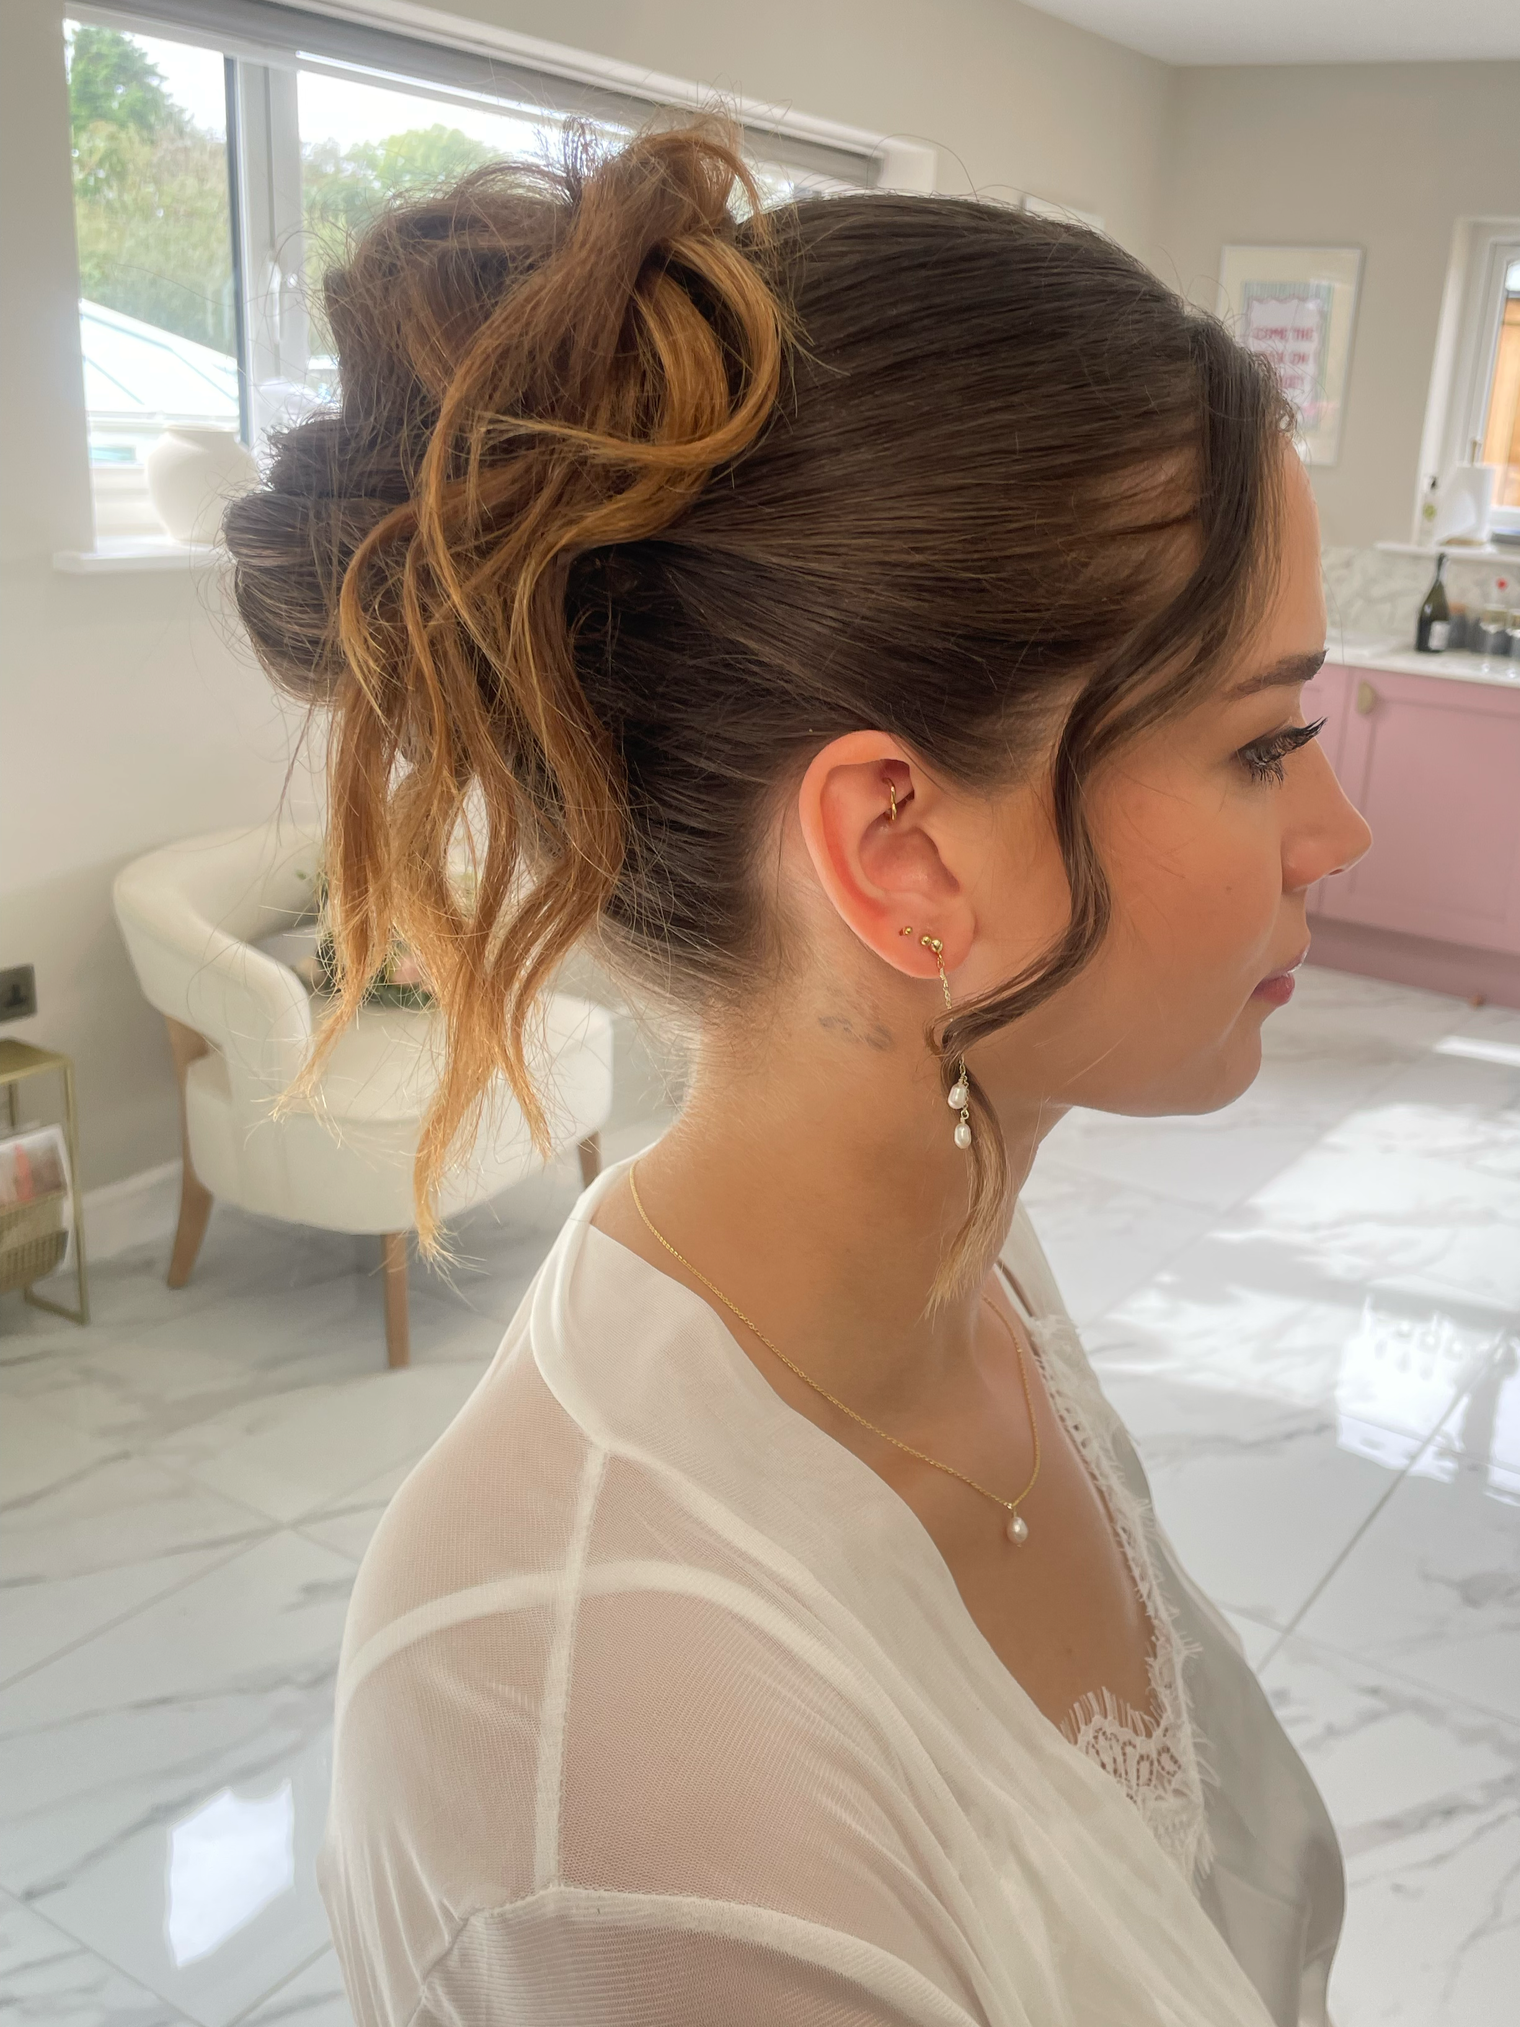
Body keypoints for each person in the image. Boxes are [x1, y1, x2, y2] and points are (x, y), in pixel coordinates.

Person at [225, 121, 1371, 2027]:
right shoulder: (614, 1755)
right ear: (903, 852)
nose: (1334, 833)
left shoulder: (963, 1269)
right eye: (1265, 744)